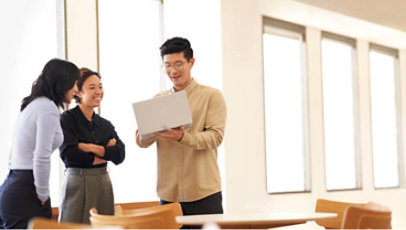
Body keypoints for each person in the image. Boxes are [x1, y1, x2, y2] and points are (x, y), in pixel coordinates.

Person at [136, 37, 227, 222]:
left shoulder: (211, 96)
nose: (173, 71)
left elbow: (215, 138)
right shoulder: (158, 100)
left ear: (191, 62)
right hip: (169, 195)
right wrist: (151, 129)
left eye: (178, 64)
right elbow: (140, 141)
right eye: (167, 65)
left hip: (204, 193)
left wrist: (182, 137)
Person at [0, 58, 80, 229]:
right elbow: (41, 156)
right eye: (74, 83)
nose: (76, 89)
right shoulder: (47, 108)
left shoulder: (34, 104)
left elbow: (14, 153)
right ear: (62, 82)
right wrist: (42, 194)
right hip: (26, 189)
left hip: (14, 183)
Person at [58, 68, 125, 224]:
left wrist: (91, 148)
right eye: (92, 87)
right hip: (77, 183)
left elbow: (120, 154)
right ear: (78, 92)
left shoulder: (105, 124)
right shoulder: (67, 119)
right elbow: (70, 155)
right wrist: (106, 152)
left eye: (100, 86)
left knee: (104, 226)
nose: (98, 91)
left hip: (103, 183)